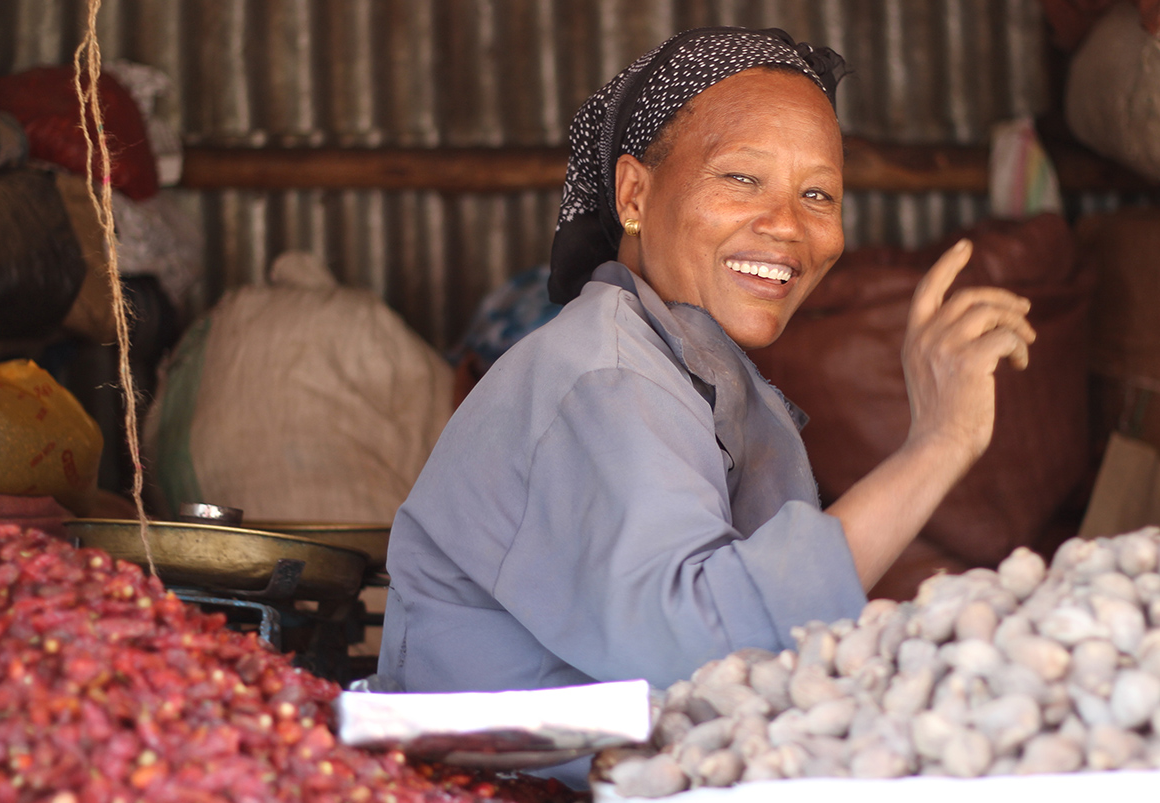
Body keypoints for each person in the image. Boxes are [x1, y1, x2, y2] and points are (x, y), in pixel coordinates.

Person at [377, 27, 1033, 702]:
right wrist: (940, 442)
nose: (786, 224)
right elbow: (705, 650)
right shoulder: (608, 375)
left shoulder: (678, 365)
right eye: (742, 178)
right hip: (515, 796)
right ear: (633, 195)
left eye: (819, 195)